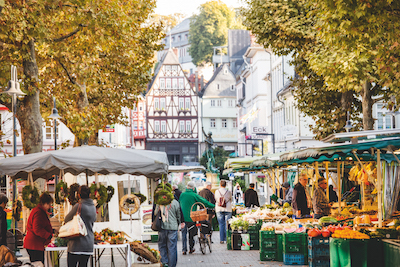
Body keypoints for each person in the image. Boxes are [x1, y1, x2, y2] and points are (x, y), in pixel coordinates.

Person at [64, 185, 96, 267]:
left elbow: (66, 219)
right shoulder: (93, 207)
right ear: (89, 195)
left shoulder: (78, 206)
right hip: (88, 244)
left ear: (78, 195)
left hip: (76, 244)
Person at [179, 182, 215, 254]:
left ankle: (184, 249)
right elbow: (204, 201)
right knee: (191, 234)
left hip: (182, 218)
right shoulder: (194, 195)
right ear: (193, 188)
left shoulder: (182, 194)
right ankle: (191, 248)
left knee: (183, 234)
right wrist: (213, 206)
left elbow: (179, 204)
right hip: (192, 217)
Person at [153, 188, 182, 267]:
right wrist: (178, 224)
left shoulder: (160, 202)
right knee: (172, 247)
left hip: (162, 227)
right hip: (173, 228)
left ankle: (164, 262)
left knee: (162, 245)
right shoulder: (175, 202)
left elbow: (155, 213)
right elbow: (178, 215)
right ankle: (171, 265)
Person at [23, 192, 54, 264]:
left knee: (38, 264)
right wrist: (49, 236)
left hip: (35, 244)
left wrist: (52, 230)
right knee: (38, 264)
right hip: (34, 245)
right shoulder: (38, 212)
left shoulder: (39, 211)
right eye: (49, 204)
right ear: (45, 203)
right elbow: (37, 229)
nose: (50, 206)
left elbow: (41, 226)